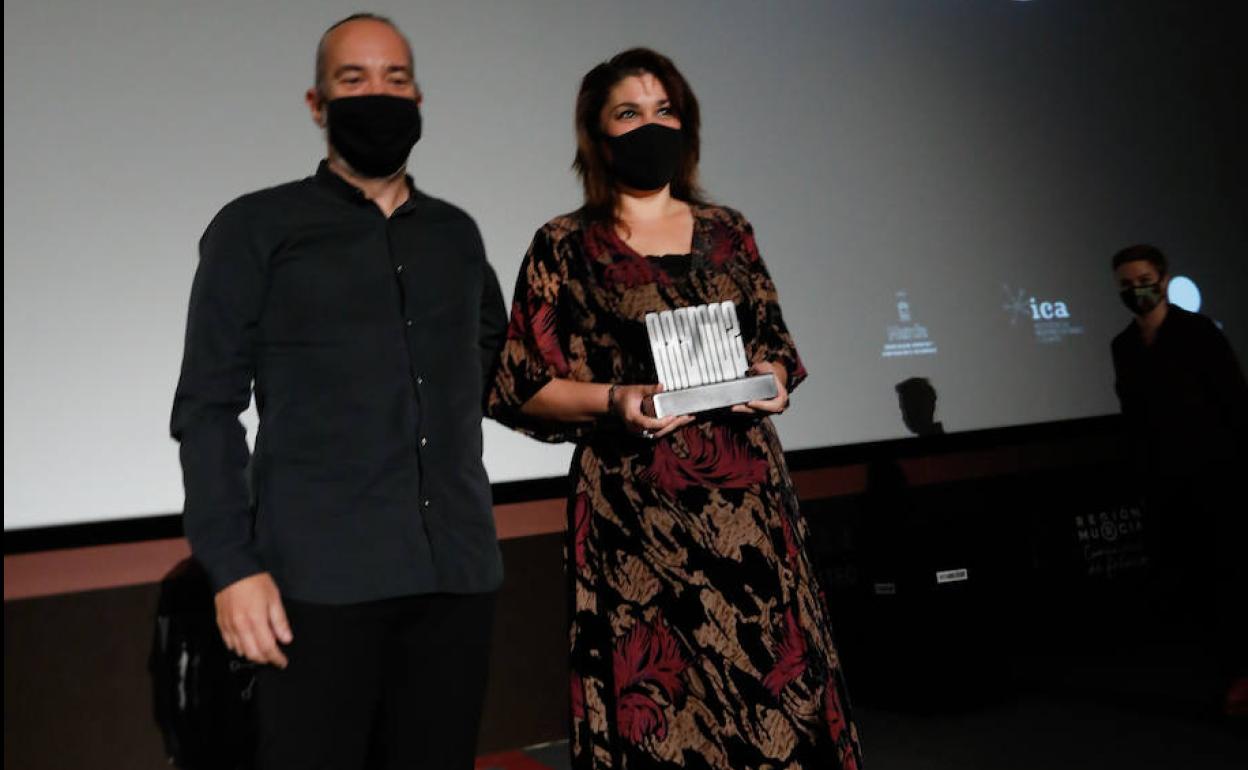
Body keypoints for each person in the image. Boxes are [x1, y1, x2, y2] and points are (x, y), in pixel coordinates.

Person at [488, 48, 862, 769]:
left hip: (749, 517)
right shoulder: (564, 246)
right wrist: (618, 399)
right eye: (629, 112)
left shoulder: (730, 230)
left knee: (776, 706)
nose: (649, 124)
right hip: (636, 520)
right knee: (665, 719)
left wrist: (772, 376)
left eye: (664, 110)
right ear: (598, 135)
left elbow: (776, 345)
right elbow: (521, 384)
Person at [170, 13, 507, 768]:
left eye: (394, 79)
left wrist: (625, 398)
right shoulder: (256, 228)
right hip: (315, 588)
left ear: (418, 96)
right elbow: (207, 407)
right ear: (317, 104)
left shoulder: (456, 236)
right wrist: (230, 565)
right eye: (352, 80)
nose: (376, 94)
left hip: (455, 579)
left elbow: (498, 372)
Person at [1110, 243, 1248, 717]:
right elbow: (1134, 416)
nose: (1137, 290)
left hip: (1216, 477)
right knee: (1189, 582)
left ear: (1164, 279)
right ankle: (1215, 678)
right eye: (1126, 284)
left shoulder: (1199, 333)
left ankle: (1240, 677)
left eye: (1143, 279)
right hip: (1162, 484)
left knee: (1230, 576)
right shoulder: (1123, 346)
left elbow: (1233, 401)